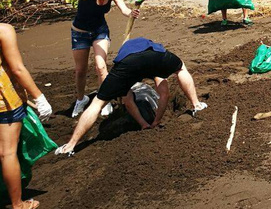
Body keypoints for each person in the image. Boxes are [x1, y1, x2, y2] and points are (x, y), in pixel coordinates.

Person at [55, 37, 208, 156]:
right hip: (155, 55)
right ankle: (196, 105)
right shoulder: (153, 50)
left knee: (97, 103)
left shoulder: (125, 57)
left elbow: (127, 100)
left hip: (127, 63)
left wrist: (143, 124)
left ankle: (70, 146)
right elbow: (164, 94)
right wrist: (156, 121)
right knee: (180, 67)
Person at [0, 0, 52, 209]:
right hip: (4, 101)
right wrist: (39, 97)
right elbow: (17, 69)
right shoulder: (4, 30)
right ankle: (18, 205)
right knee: (7, 153)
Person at [71, 0, 140, 118]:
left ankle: (104, 100)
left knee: (101, 67)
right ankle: (81, 99)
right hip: (79, 34)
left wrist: (131, 13)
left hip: (99, 31)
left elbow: (124, 9)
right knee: (80, 70)